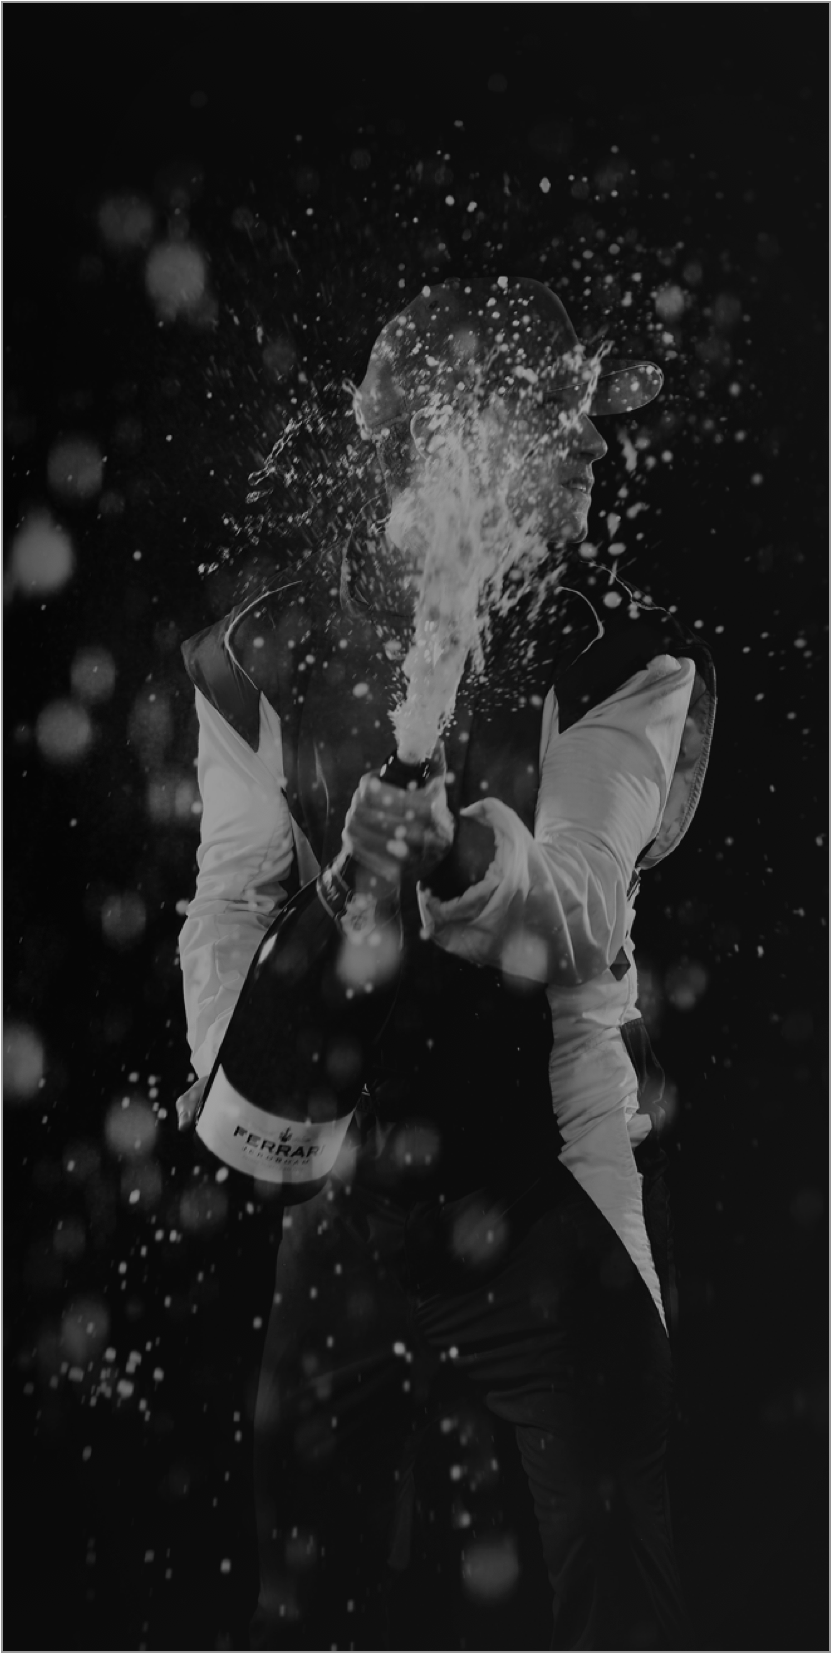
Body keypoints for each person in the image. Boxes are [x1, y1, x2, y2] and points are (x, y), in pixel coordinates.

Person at [176, 277, 716, 1650]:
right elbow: (232, 899)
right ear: (444, 446)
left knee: (615, 1576)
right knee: (308, 1582)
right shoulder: (266, 660)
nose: (591, 452)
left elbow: (581, 909)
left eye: (591, 425)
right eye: (558, 424)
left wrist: (463, 850)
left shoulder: (622, 663)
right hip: (354, 1196)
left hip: (551, 1187)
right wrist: (230, 1054)